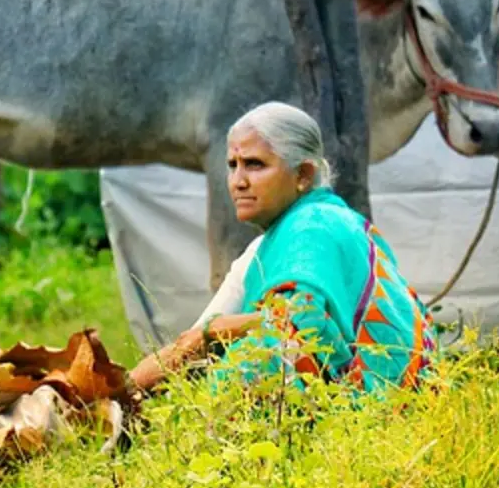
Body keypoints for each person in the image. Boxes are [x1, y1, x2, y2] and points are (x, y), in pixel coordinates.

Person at [127, 101, 438, 396]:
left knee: (261, 359)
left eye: (254, 165)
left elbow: (301, 326)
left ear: (303, 175)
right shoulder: (270, 244)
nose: (238, 181)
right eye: (232, 165)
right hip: (378, 409)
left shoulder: (315, 227)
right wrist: (117, 391)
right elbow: (191, 343)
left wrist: (216, 332)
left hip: (378, 409)